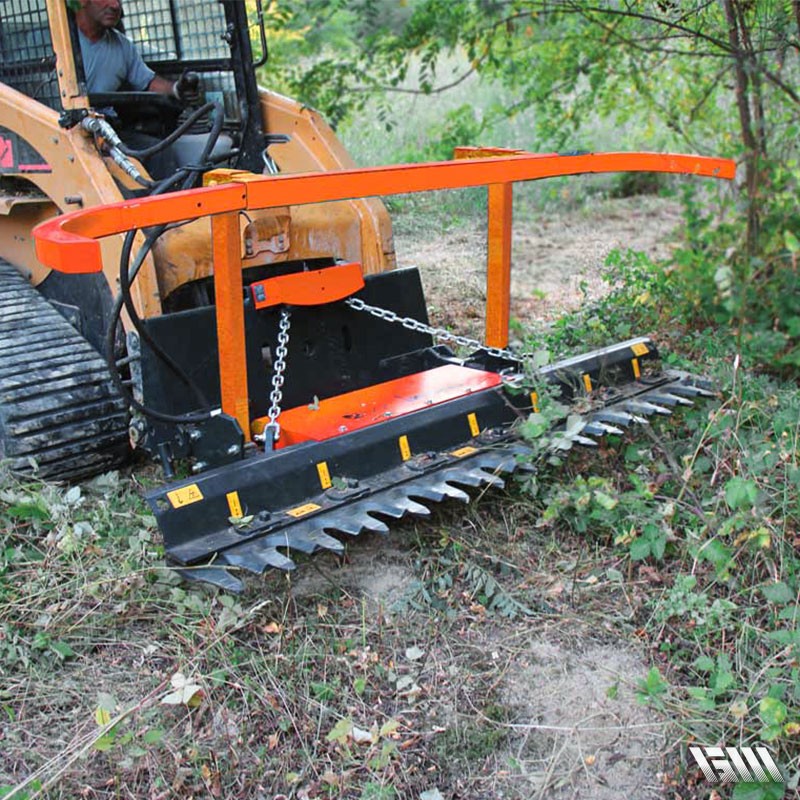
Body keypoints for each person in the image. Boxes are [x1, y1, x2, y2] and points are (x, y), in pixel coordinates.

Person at [72, 0, 201, 178]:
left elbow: (147, 81)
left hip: (105, 129)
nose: (116, 5)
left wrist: (177, 88)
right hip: (66, 131)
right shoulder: (60, 42)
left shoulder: (122, 46)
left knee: (160, 154)